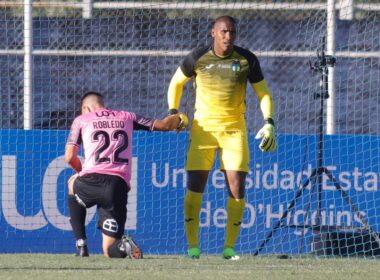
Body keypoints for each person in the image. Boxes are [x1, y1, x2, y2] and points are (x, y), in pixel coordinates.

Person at [166, 15, 276, 260]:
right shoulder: (198, 57)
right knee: (195, 187)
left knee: (237, 188)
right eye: (224, 32)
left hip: (234, 131)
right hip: (203, 129)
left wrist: (269, 122)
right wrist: (173, 113)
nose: (228, 36)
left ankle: (229, 249)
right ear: (213, 33)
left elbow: (263, 93)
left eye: (232, 32)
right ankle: (193, 248)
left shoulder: (246, 59)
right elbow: (176, 83)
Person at [65, 91, 188, 258]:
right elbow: (164, 125)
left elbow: (69, 157)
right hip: (117, 187)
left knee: (72, 184)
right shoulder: (127, 117)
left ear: (86, 108)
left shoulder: (81, 120)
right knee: (110, 250)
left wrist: (81, 172)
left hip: (91, 181)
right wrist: (180, 118)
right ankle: (124, 246)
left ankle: (81, 245)